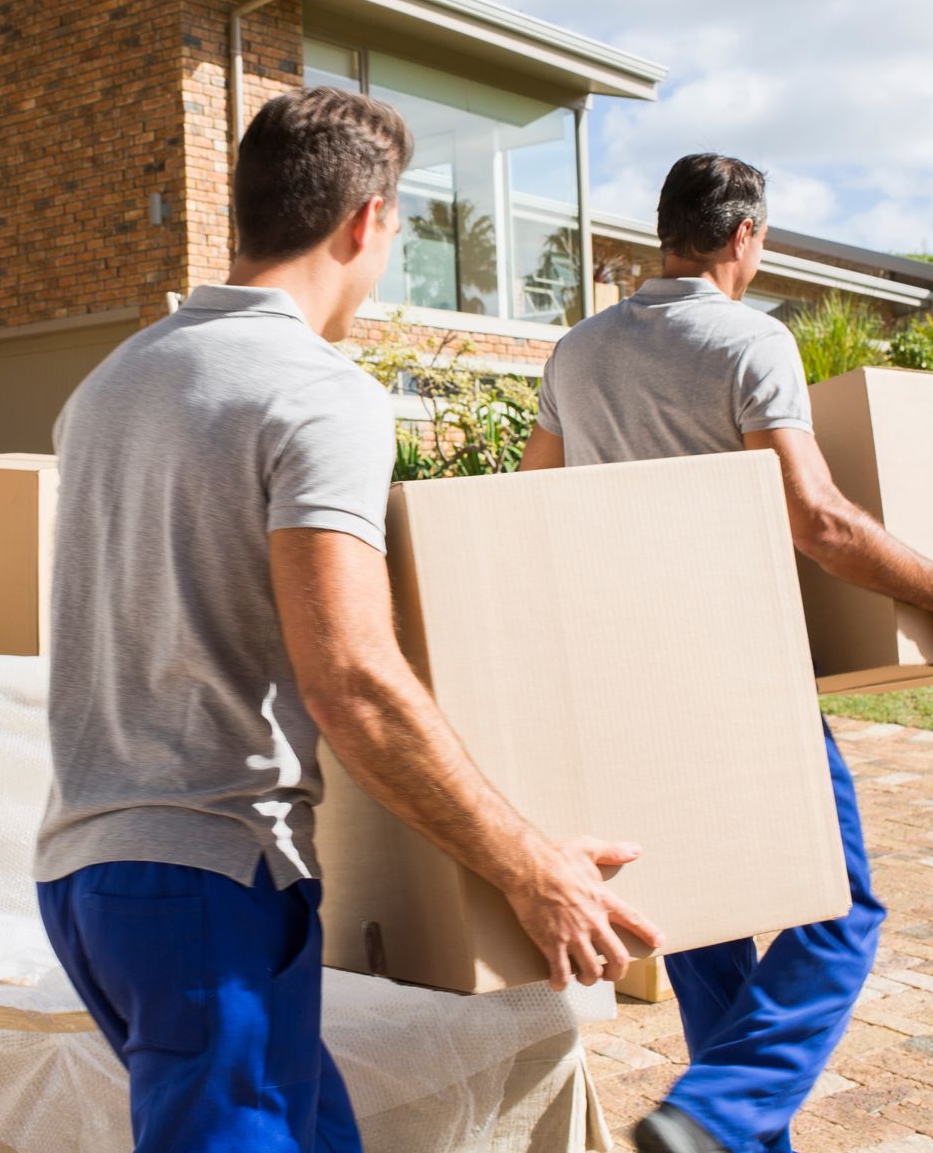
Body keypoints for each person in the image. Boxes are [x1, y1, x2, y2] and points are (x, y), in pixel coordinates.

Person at [34, 87, 665, 1153]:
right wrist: (530, 865)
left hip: (87, 873)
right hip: (210, 884)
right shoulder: (318, 392)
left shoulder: (107, 385)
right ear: (366, 220)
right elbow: (353, 677)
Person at [520, 153, 933, 1153]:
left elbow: (533, 504)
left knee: (707, 916)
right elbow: (817, 520)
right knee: (843, 904)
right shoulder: (749, 341)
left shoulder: (576, 353)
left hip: (627, 671)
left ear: (666, 233)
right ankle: (717, 1110)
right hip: (738, 670)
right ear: (745, 236)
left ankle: (723, 1130)